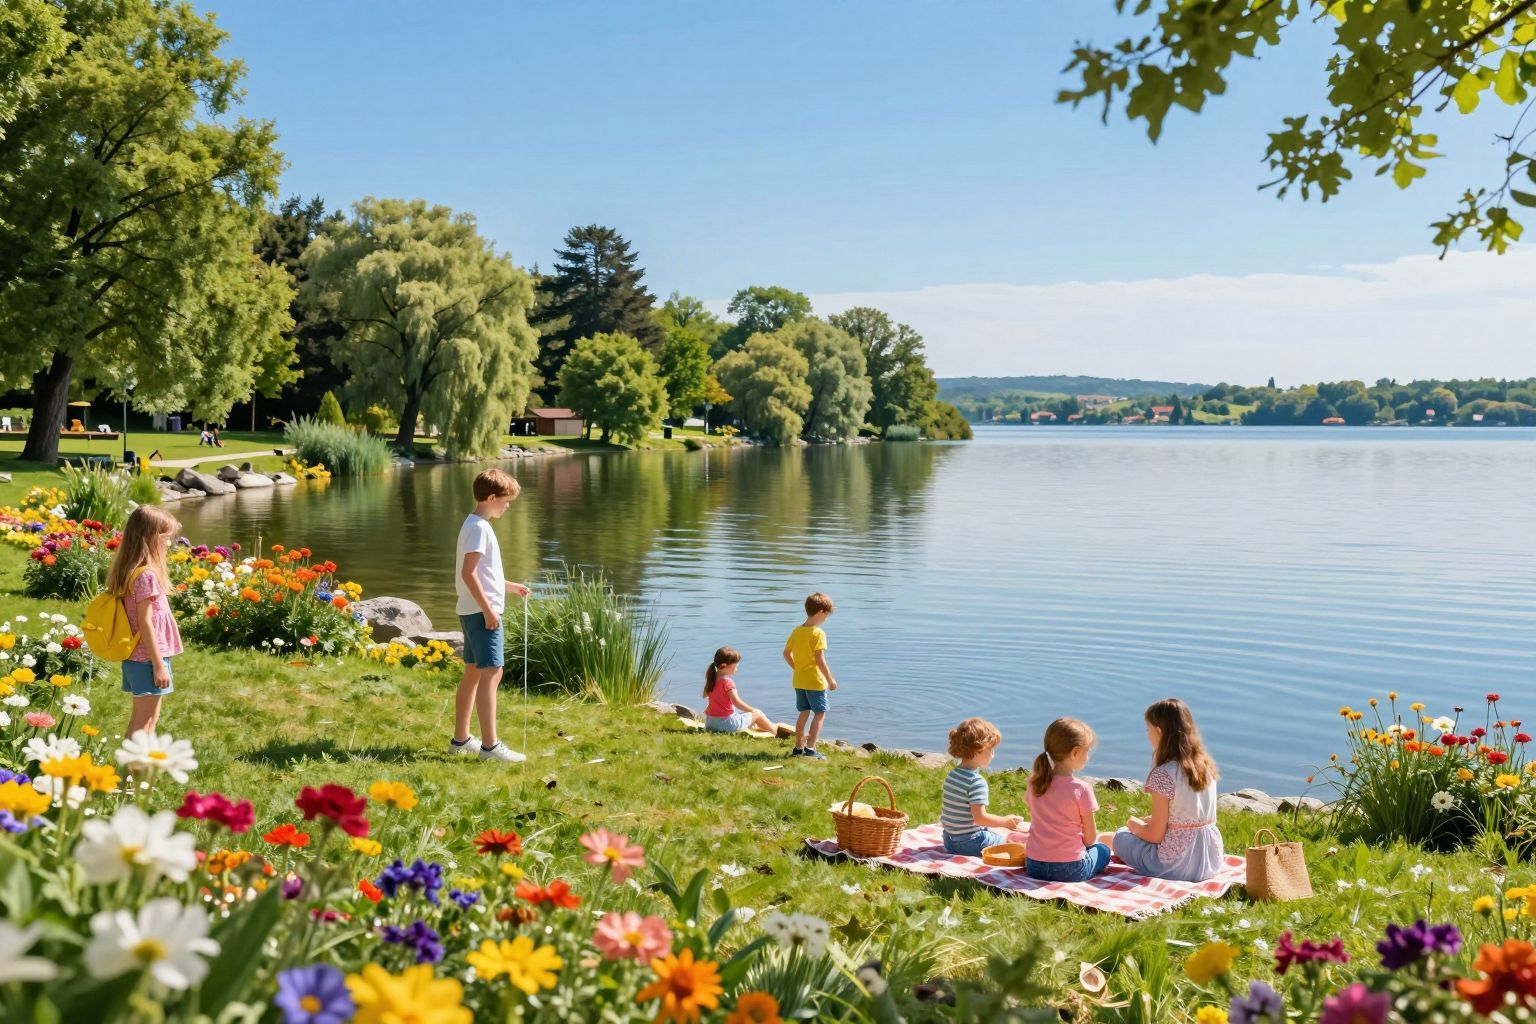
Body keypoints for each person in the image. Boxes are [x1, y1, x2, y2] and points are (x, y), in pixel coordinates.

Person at [450, 468, 531, 762]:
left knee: (472, 672)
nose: (507, 506)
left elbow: (483, 574)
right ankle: (490, 747)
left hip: (471, 610)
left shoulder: (474, 524)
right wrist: (489, 611)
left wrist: (509, 587)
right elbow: (468, 573)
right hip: (481, 613)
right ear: (492, 497)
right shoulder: (480, 528)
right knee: (492, 673)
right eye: (506, 501)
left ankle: (460, 740)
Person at [1112, 698, 1224, 881]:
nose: (1148, 735)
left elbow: (1155, 836)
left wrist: (1133, 825)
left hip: (1174, 865)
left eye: (1148, 730)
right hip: (1209, 862)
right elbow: (1184, 814)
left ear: (1159, 731)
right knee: (1131, 834)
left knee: (1120, 837)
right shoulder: (1205, 766)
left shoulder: (1163, 774)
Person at [107, 506, 184, 737]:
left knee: (150, 720)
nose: (168, 545)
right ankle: (129, 773)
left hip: (139, 658)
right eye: (167, 539)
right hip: (147, 658)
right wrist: (159, 664)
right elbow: (145, 622)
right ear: (152, 538)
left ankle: (140, 771)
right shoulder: (146, 575)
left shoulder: (131, 570)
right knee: (143, 724)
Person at [1022, 717, 1112, 882]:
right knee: (1103, 850)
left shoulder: (1034, 783)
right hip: (1071, 869)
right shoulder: (1081, 789)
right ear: (1075, 752)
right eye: (1087, 752)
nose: (1088, 757)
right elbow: (1090, 839)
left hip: (1034, 865)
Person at [941, 718, 1025, 856]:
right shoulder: (976, 781)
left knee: (991, 833)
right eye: (991, 749)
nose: (993, 754)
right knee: (1008, 843)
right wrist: (1005, 822)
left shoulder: (953, 774)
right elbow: (980, 818)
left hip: (949, 841)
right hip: (969, 843)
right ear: (978, 749)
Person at [783, 592, 837, 759]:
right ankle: (811, 749)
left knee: (804, 712)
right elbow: (820, 660)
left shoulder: (797, 631)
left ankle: (798, 748)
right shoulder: (818, 633)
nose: (826, 618)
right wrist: (830, 679)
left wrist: (797, 668)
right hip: (814, 681)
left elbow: (786, 654)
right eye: (827, 614)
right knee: (820, 713)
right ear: (821, 612)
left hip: (799, 680)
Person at [702, 646, 778, 735]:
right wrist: (753, 710)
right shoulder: (727, 682)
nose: (736, 670)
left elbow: (705, 695)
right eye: (735, 667)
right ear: (723, 666)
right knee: (758, 713)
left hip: (710, 723)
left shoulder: (712, 678)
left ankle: (754, 725)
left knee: (739, 713)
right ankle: (775, 732)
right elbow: (736, 702)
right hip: (725, 725)